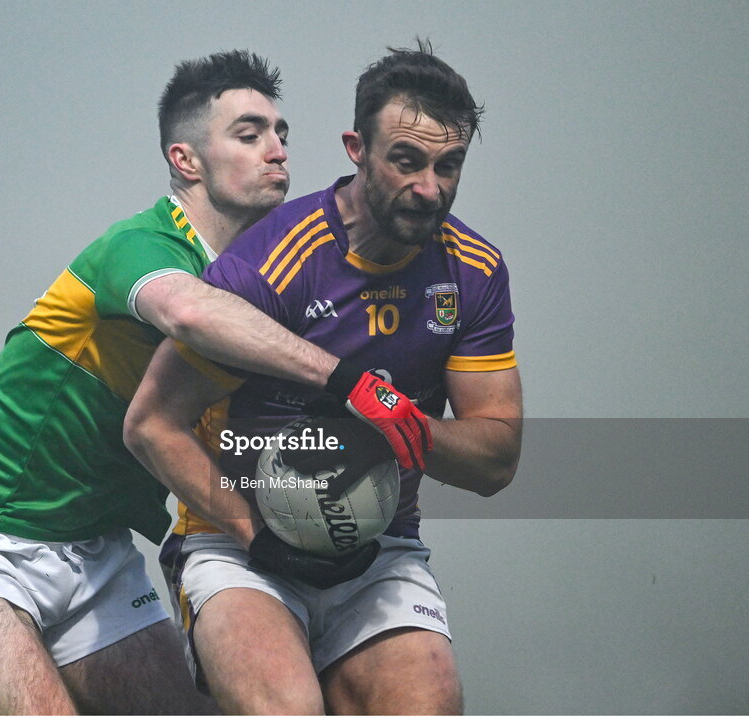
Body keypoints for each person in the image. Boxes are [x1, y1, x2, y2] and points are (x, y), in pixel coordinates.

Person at [0, 49, 329, 714]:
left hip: (98, 554)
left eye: (280, 133)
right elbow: (186, 312)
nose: (276, 150)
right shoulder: (141, 244)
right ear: (186, 161)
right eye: (249, 134)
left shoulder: (262, 278)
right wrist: (342, 377)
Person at [124, 41, 523, 715]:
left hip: (380, 548)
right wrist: (260, 539)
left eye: (448, 165)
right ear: (356, 148)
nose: (430, 187)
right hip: (239, 546)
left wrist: (400, 421)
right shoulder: (270, 263)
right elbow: (150, 426)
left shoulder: (473, 271)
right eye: (406, 159)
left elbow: (494, 460)